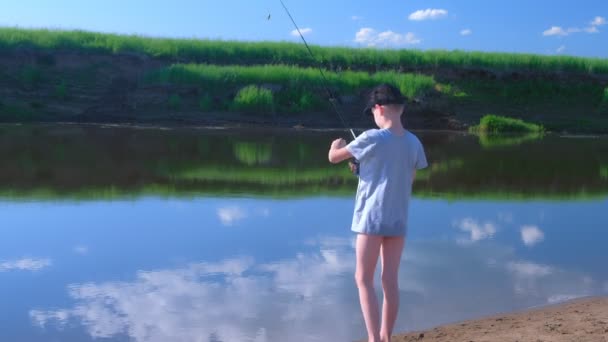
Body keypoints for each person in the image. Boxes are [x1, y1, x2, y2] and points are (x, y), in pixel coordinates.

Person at [327, 83, 428, 342]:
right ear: (401, 108)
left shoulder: (371, 137)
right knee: (389, 280)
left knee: (362, 278)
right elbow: (408, 179)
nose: (372, 115)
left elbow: (335, 157)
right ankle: (386, 337)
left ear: (378, 108)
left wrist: (335, 145)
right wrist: (364, 168)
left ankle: (373, 338)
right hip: (398, 220)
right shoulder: (414, 142)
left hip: (371, 219)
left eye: (372, 111)